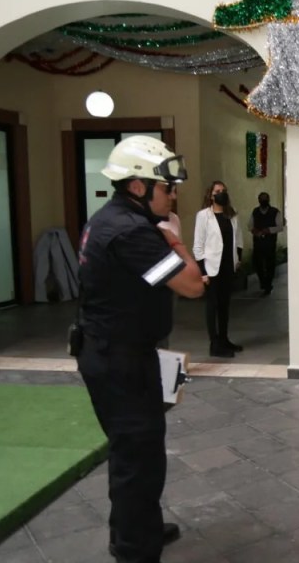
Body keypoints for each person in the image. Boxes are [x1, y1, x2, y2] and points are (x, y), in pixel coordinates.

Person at [75, 135, 204, 563]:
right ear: (137, 186)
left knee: (135, 450)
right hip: (120, 359)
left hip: (118, 352)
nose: (173, 195)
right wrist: (177, 243)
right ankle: (134, 550)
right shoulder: (132, 232)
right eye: (167, 188)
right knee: (138, 457)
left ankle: (137, 528)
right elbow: (192, 285)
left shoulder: (110, 219)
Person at [193, 181, 244, 358]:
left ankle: (224, 339)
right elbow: (198, 246)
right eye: (218, 191)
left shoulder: (232, 214)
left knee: (225, 305)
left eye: (224, 190)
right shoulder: (203, 216)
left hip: (228, 266)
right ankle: (214, 344)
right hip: (211, 268)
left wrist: (238, 259)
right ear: (211, 195)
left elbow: (238, 239)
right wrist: (202, 272)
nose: (222, 193)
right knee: (213, 305)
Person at [248, 191, 284, 297]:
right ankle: (263, 282)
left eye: (265, 198)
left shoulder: (275, 212)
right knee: (257, 263)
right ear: (259, 200)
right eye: (261, 198)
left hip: (270, 243)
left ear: (268, 200)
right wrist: (255, 231)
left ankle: (268, 285)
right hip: (258, 243)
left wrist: (268, 230)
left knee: (270, 265)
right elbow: (250, 225)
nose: (263, 200)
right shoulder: (255, 211)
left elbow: (280, 227)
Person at [157, 199, 181, 350]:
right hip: (156, 276)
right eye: (167, 191)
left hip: (173, 275)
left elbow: (179, 246)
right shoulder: (148, 221)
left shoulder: (174, 218)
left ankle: (163, 354)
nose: (172, 197)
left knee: (166, 321)